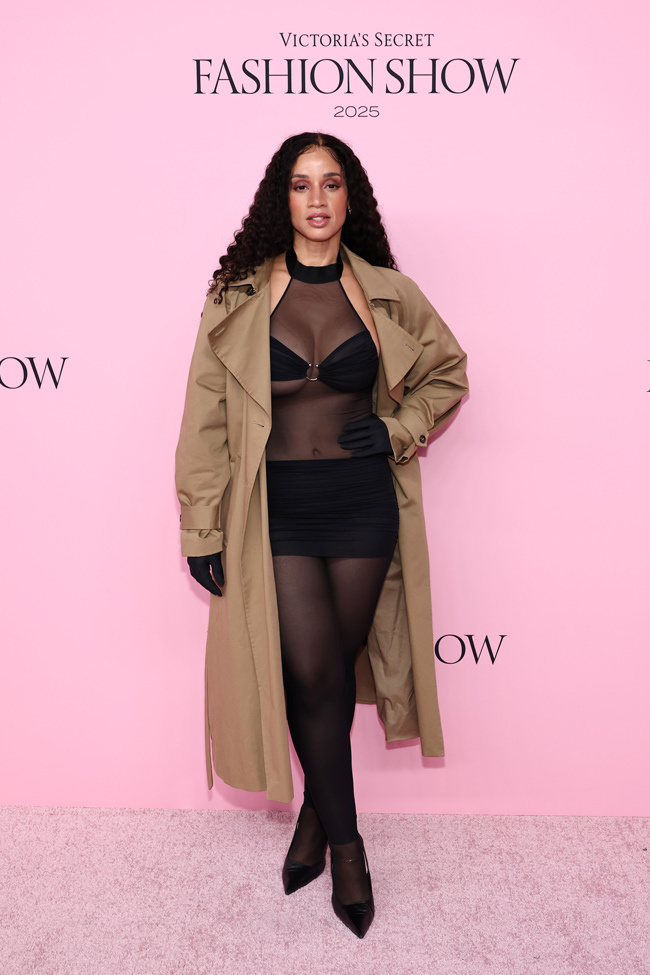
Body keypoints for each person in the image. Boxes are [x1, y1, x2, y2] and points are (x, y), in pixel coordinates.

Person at [175, 132, 468, 938]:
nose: (316, 199)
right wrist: (201, 524)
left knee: (332, 670)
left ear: (349, 198)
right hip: (275, 510)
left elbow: (449, 371)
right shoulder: (237, 295)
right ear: (283, 198)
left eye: (331, 183)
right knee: (309, 672)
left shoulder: (388, 292)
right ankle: (347, 846)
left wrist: (399, 426)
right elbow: (204, 419)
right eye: (301, 184)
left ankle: (314, 812)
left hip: (362, 503)